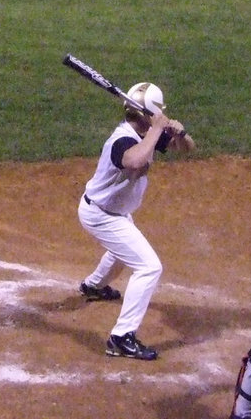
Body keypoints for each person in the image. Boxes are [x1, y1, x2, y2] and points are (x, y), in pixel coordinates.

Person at [78, 81, 195, 361]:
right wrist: (156, 129)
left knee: (123, 250)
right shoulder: (123, 139)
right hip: (101, 215)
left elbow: (188, 148)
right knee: (149, 267)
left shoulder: (145, 132)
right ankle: (121, 337)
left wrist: (180, 133)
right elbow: (133, 160)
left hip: (115, 213)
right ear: (150, 113)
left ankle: (94, 286)